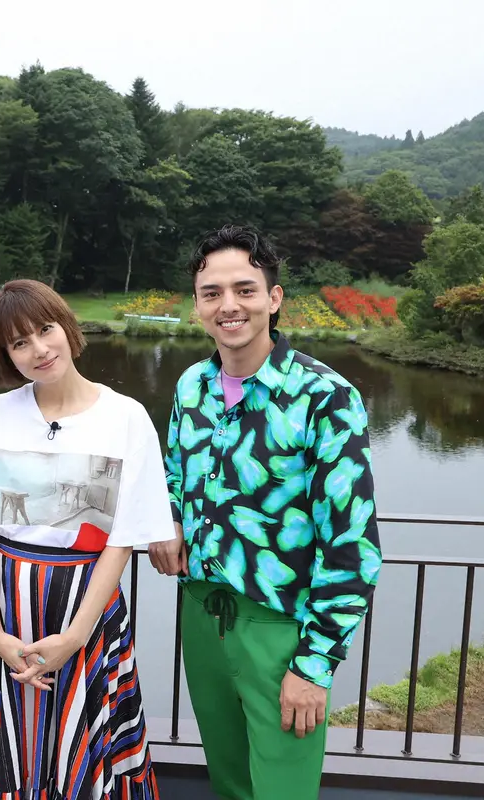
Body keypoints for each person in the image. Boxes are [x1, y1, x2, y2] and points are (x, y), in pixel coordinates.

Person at [148, 225, 382, 800]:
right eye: (212, 293)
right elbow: (174, 473)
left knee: (282, 789)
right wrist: (171, 519)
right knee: (229, 784)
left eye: (245, 290)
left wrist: (314, 665)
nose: (228, 305)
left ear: (273, 299)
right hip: (202, 614)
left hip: (279, 629)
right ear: (198, 305)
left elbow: (352, 545)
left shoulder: (324, 396)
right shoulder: (192, 386)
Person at [0, 279, 167, 800]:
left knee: (83, 744)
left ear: (66, 325)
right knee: (1, 744)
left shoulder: (126, 418)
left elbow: (120, 542)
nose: (39, 349)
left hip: (86, 609)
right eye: (19, 343)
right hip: (6, 607)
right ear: (6, 355)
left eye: (45, 329)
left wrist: (74, 638)